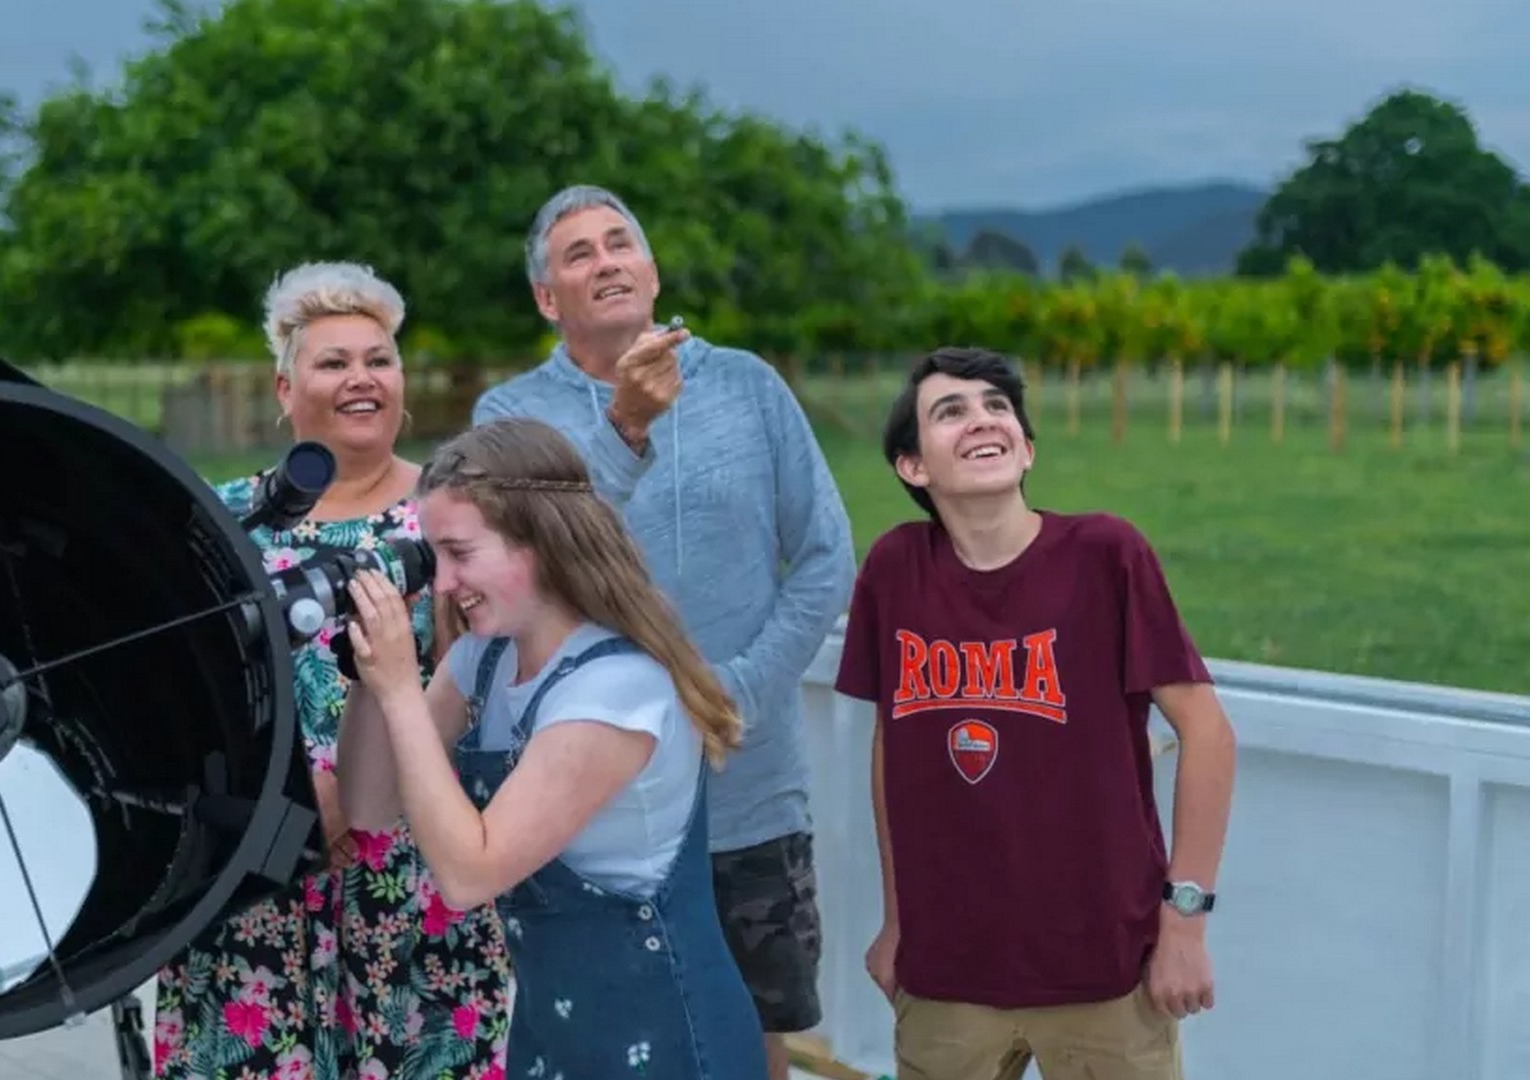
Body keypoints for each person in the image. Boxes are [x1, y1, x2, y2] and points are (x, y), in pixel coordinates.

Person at [472, 183, 855, 1077]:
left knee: (756, 1040)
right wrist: (624, 429)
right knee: (602, 1041)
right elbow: (521, 575)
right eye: (579, 254)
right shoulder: (508, 419)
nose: (605, 261)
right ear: (546, 298)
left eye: (620, 244)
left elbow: (827, 558)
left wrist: (736, 693)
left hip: (748, 786)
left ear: (650, 270)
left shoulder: (749, 386)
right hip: (587, 800)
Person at [833, 346, 1238, 1080]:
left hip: (1107, 972)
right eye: (949, 411)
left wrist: (1184, 924)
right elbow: (897, 748)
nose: (982, 419)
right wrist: (898, 922)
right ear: (912, 467)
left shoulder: (1106, 556)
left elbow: (1207, 731)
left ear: (1026, 447)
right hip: (947, 976)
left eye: (998, 407)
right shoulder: (896, 570)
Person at [152, 263, 510, 1080]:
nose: (361, 378)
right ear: (285, 388)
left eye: (378, 359)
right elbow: (172, 693)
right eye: (334, 361)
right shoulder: (218, 518)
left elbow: (479, 671)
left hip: (409, 862)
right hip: (255, 868)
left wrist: (346, 796)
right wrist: (286, 798)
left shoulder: (456, 515)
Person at [334, 417, 769, 1080]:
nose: (443, 582)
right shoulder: (485, 659)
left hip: (662, 1036)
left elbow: (470, 873)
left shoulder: (615, 690)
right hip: (555, 1032)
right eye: (433, 555)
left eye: (460, 552)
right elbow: (368, 805)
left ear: (537, 540)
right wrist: (369, 678)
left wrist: (401, 690)